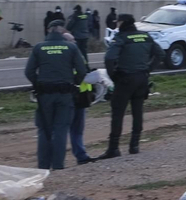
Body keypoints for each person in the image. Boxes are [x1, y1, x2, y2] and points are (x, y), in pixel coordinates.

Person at [24, 20, 87, 170]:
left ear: (48, 30)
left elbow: (29, 72)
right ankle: (58, 165)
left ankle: (43, 166)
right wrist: (74, 84)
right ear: (62, 30)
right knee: (61, 129)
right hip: (65, 94)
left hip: (44, 94)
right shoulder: (71, 47)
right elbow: (82, 70)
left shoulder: (39, 47)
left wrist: (37, 84)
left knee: (44, 129)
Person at [101, 15, 158, 158]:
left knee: (118, 113)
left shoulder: (122, 38)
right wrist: (148, 69)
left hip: (125, 79)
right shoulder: (145, 36)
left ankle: (113, 148)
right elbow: (160, 53)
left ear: (123, 22)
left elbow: (109, 58)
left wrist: (113, 75)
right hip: (142, 79)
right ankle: (134, 146)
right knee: (137, 111)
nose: (117, 24)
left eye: (118, 21)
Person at [60, 32, 98, 166]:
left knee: (77, 129)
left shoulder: (78, 53)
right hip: (71, 96)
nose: (75, 42)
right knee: (63, 129)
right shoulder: (65, 55)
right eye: (72, 40)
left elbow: (84, 70)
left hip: (82, 96)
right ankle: (59, 159)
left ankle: (81, 156)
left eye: (74, 39)